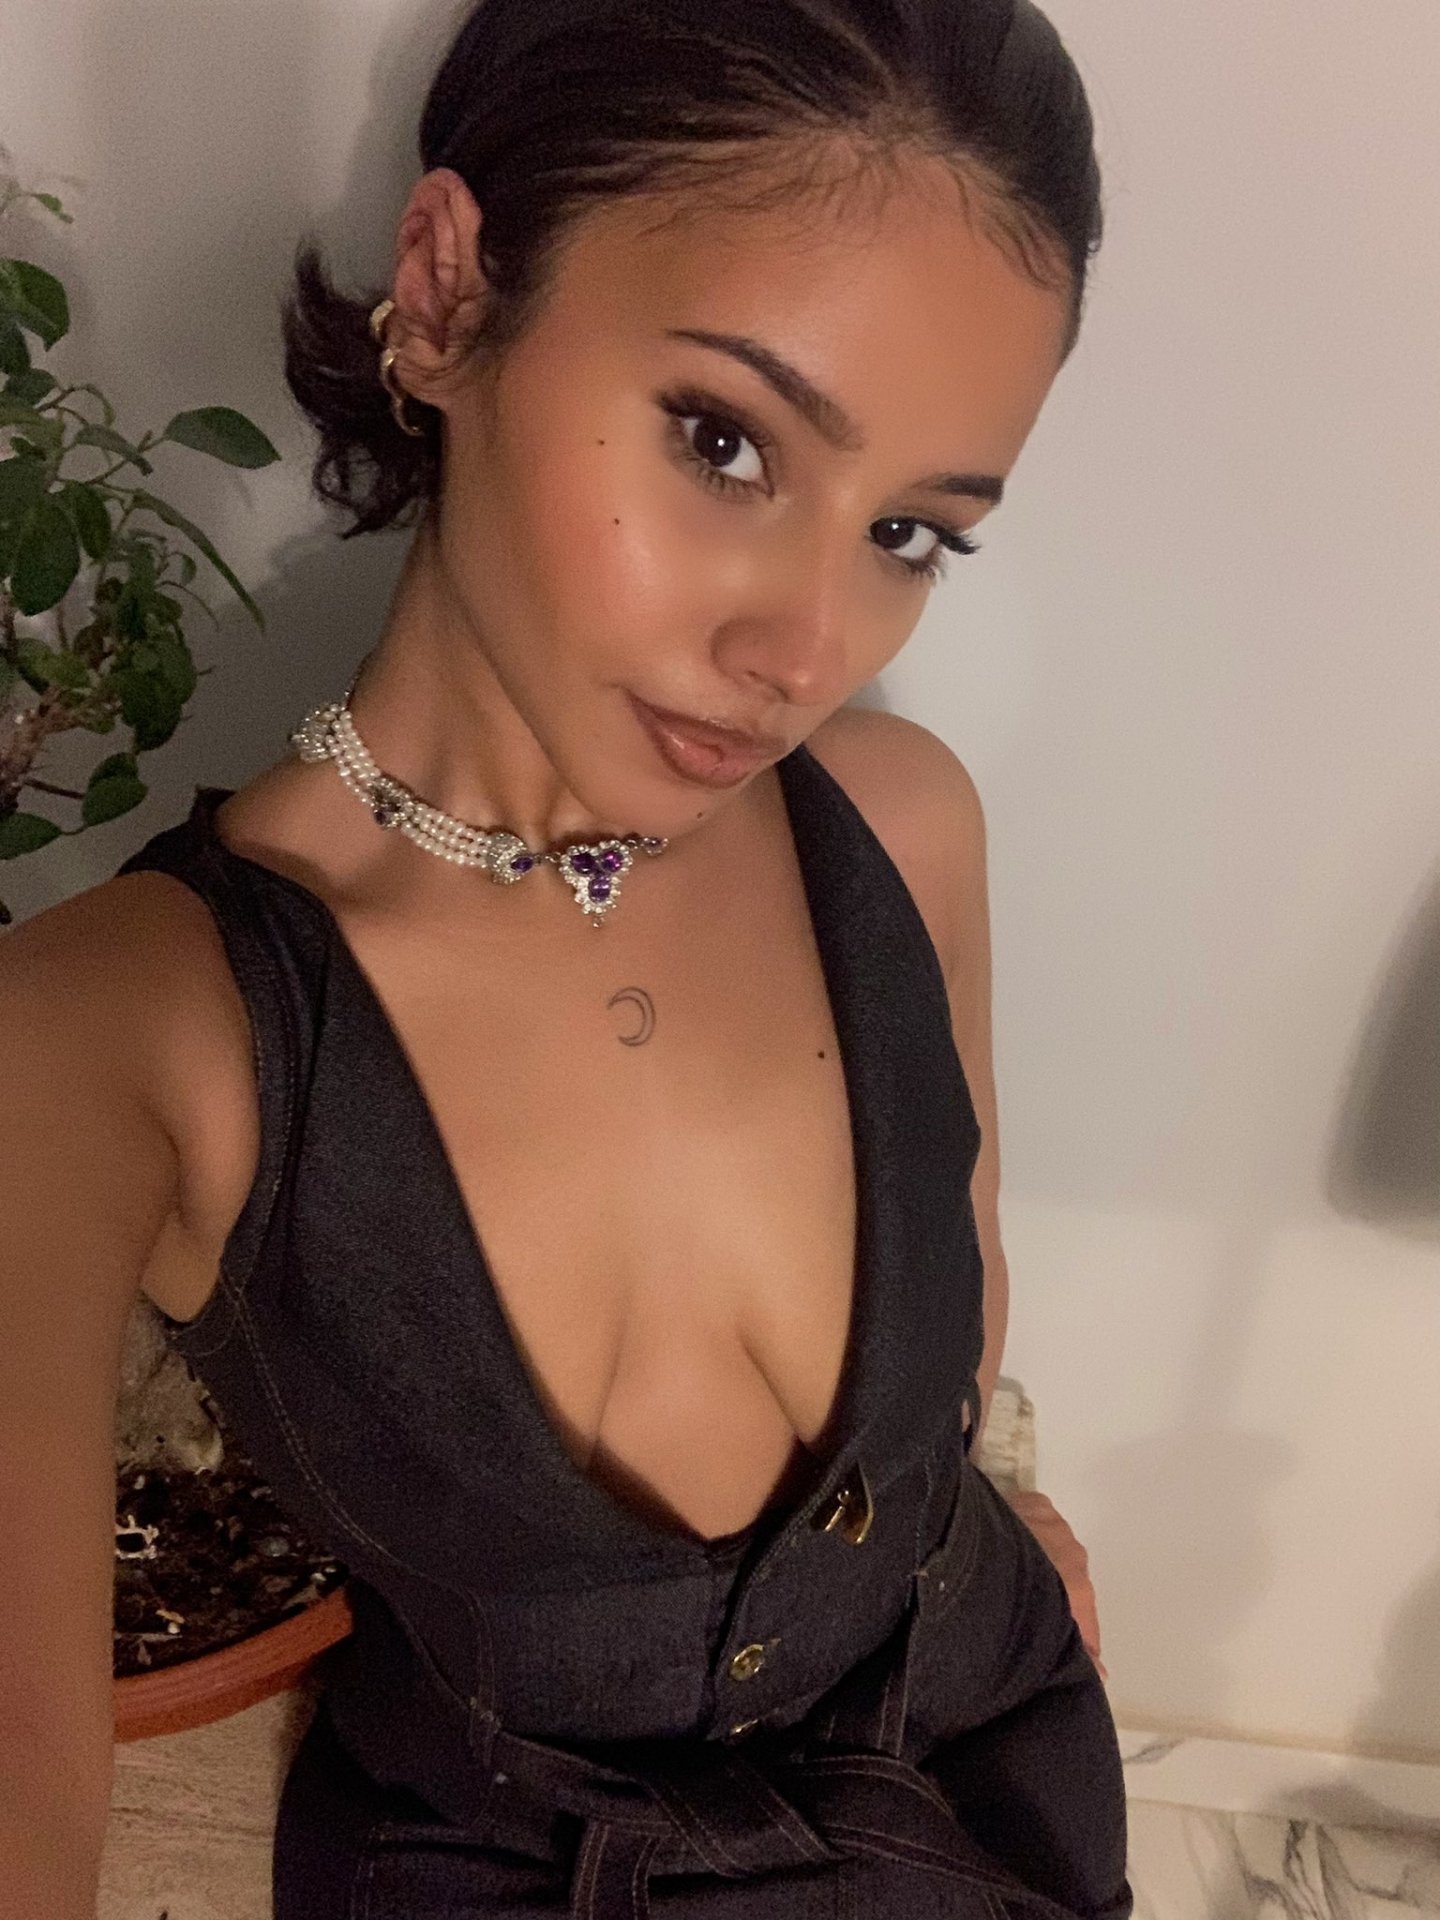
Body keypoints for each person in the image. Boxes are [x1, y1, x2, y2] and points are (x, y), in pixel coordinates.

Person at [0, 0, 1132, 1914]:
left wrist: (975, 1512)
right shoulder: (121, 1037)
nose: (806, 649)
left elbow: (963, 1301)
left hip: (996, 1772)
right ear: (447, 295)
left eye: (911, 534)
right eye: (726, 441)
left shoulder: (903, 826)